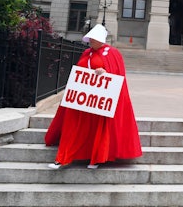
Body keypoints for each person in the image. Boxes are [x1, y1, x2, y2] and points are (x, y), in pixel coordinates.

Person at [44, 24, 142, 169]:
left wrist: (105, 72)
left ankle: (95, 158)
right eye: (90, 38)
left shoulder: (113, 53)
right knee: (74, 127)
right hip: (83, 99)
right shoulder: (86, 53)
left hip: (99, 101)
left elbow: (117, 76)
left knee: (97, 129)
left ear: (101, 39)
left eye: (93, 39)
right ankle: (62, 158)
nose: (90, 41)